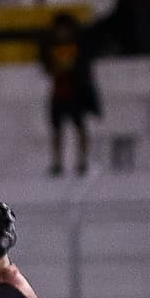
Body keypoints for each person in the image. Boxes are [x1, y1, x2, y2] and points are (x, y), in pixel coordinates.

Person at [39, 12, 100, 177]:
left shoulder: (78, 47)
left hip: (75, 93)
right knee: (57, 129)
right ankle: (57, 162)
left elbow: (84, 69)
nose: (62, 32)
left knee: (80, 127)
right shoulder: (50, 48)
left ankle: (82, 161)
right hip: (58, 93)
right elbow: (47, 68)